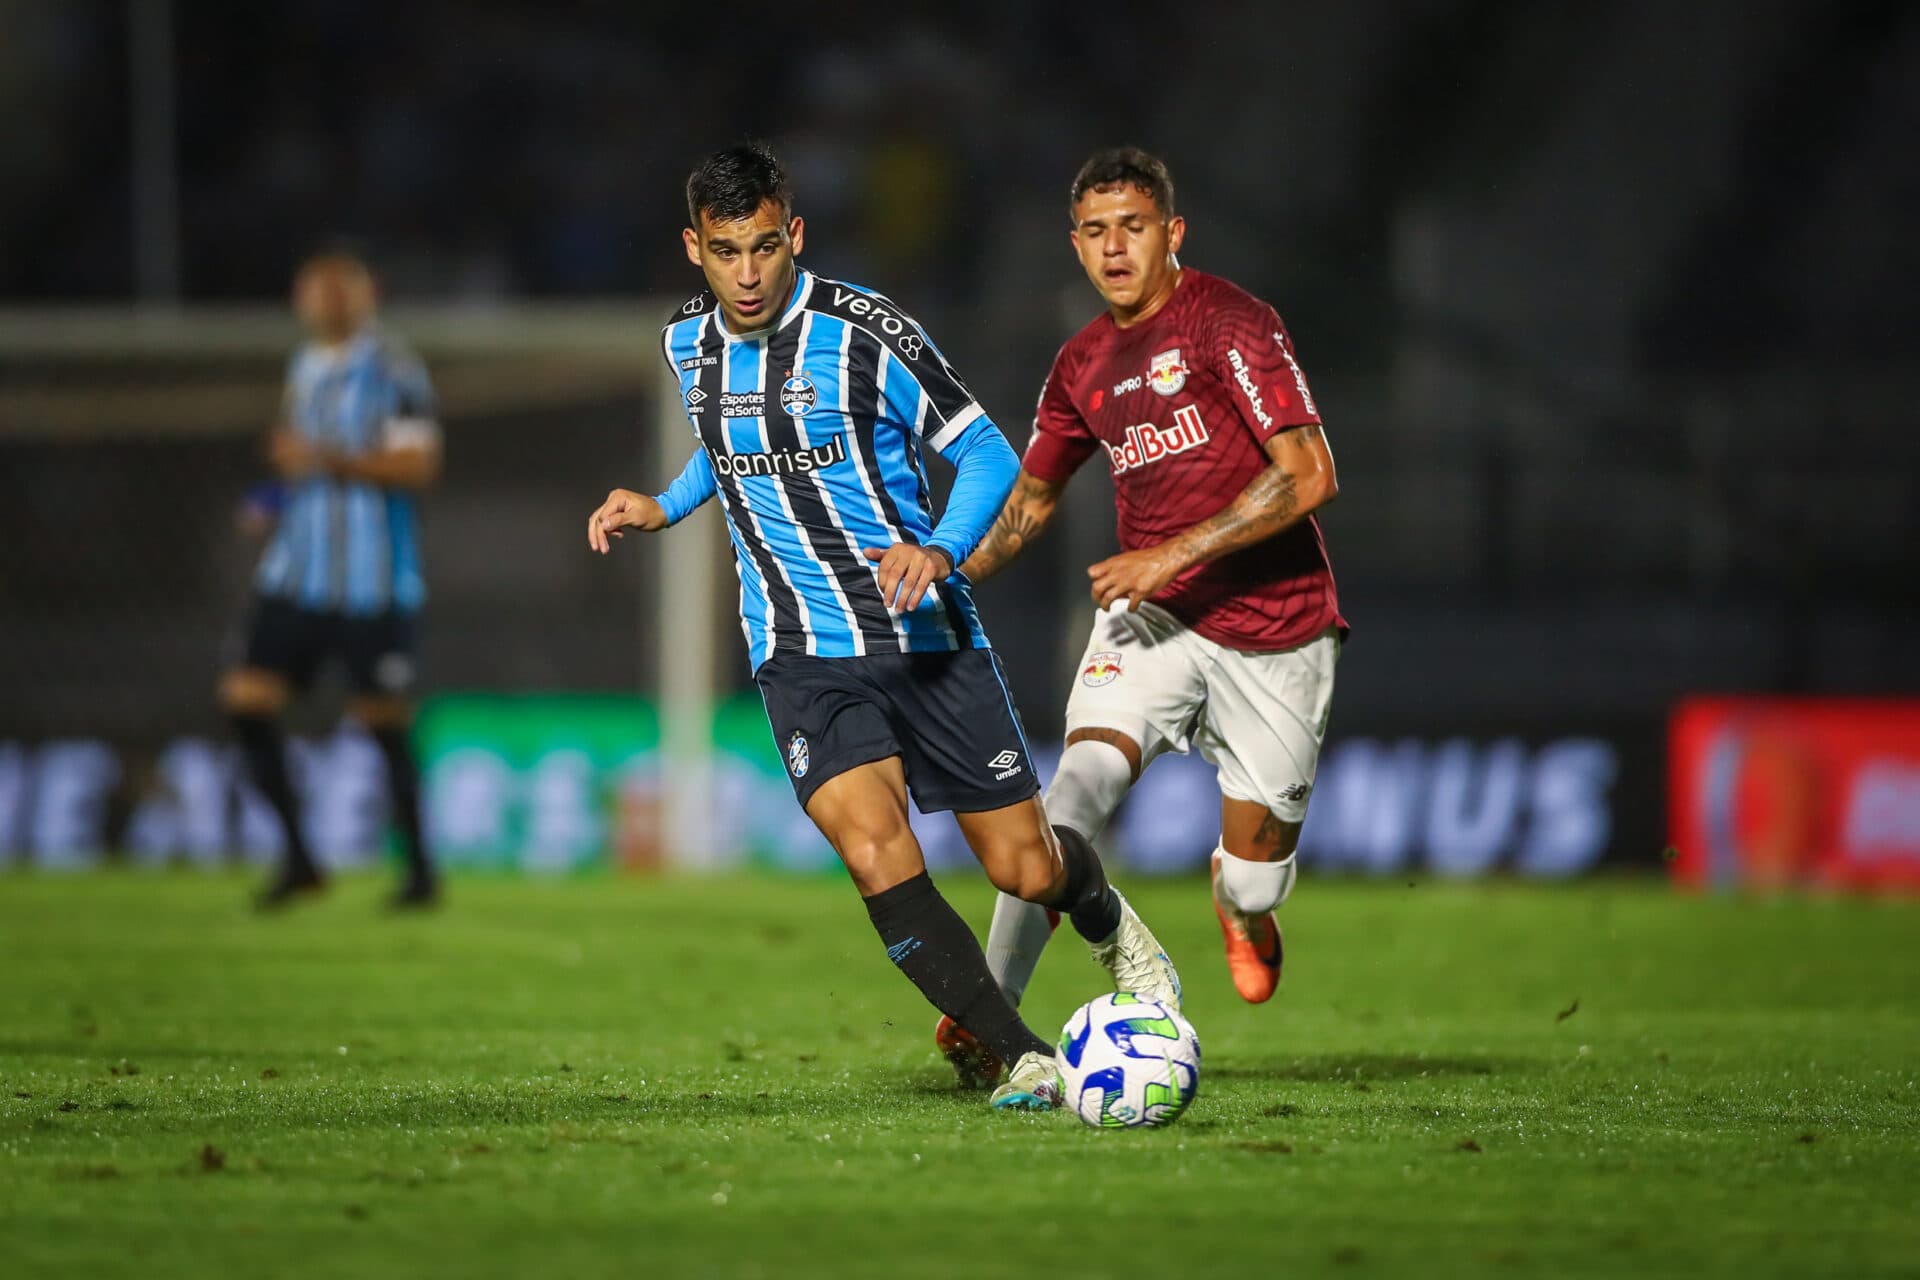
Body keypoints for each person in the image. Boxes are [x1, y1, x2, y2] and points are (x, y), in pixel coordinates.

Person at [586, 142, 1179, 1111]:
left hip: (924, 638)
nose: (748, 273)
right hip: (798, 652)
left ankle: (1111, 925)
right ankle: (1020, 1055)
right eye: (726, 252)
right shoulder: (686, 343)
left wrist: (940, 548)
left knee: (1025, 866)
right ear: (695, 248)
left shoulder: (867, 332)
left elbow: (987, 453)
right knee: (874, 849)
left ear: (795, 235)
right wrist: (665, 502)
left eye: (765, 247)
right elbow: (730, 445)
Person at [936, 146, 1345, 1083]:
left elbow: (1310, 474)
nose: (1115, 248)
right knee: (1068, 800)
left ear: (1173, 233)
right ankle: (990, 1013)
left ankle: (1239, 904)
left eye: (1133, 227)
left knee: (1257, 876)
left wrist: (1169, 553)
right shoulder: (1081, 363)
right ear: (1075, 244)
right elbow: (1032, 501)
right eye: (1096, 231)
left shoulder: (1231, 324)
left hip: (1274, 629)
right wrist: (948, 573)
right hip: (1150, 621)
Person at [219, 245, 443, 910]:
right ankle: (299, 860)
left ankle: (421, 874)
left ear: (367, 295)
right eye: (317, 290)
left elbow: (416, 465)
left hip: (371, 584)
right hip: (295, 576)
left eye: (341, 289)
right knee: (245, 699)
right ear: (301, 300)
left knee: (382, 721)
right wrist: (272, 496)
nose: (328, 302)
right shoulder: (305, 367)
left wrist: (321, 459)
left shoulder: (394, 370)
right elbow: (303, 467)